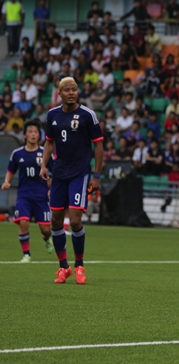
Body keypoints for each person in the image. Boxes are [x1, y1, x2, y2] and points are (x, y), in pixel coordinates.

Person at [40, 77, 104, 284]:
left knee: (75, 220)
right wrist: (43, 165)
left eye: (74, 90)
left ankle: (79, 266)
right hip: (59, 174)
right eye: (67, 90)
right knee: (55, 221)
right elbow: (49, 143)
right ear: (60, 93)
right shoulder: (52, 115)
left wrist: (96, 175)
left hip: (80, 173)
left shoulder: (88, 115)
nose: (71, 93)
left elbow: (99, 146)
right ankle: (63, 268)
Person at [2, 120, 54, 262]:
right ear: (24, 135)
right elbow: (11, 170)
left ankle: (47, 238)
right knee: (23, 222)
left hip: (41, 196)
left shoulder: (45, 152)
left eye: (36, 132)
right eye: (30, 131)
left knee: (45, 228)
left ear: (39, 135)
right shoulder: (17, 153)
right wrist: (7, 181)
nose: (33, 134)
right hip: (24, 195)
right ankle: (26, 254)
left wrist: (52, 188)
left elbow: (55, 171)